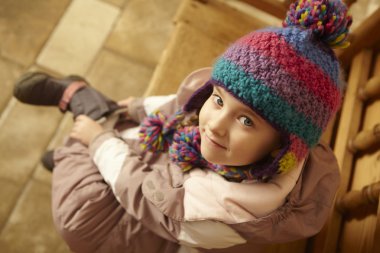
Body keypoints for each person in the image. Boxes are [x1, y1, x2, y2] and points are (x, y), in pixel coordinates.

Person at [13, 0, 351, 252]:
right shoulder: (239, 143)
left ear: (284, 148)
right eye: (218, 100)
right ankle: (73, 146)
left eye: (246, 120)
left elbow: (141, 194)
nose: (215, 125)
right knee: (120, 134)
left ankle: (77, 106)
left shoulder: (225, 208)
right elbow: (182, 104)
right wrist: (136, 106)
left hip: (159, 214)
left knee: (79, 223)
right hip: (168, 179)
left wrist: (99, 141)